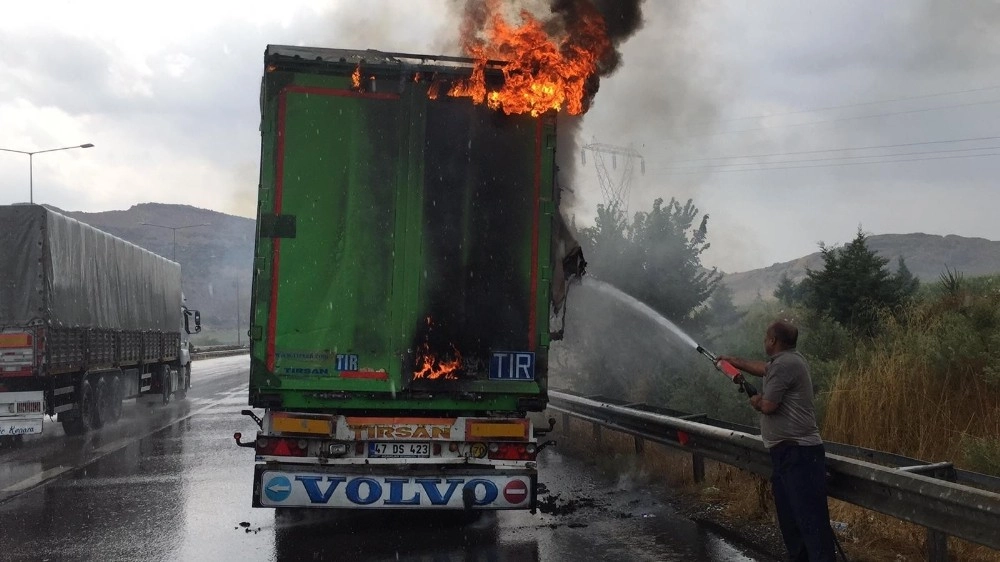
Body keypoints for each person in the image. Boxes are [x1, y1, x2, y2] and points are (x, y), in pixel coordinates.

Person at [718, 320, 837, 562]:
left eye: (766, 338)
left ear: (773, 341)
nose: (764, 341)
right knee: (792, 522)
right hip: (788, 455)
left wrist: (757, 401)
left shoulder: (784, 365)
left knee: (810, 523)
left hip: (799, 455)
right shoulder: (787, 361)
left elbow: (769, 406)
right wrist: (732, 362)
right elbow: (764, 368)